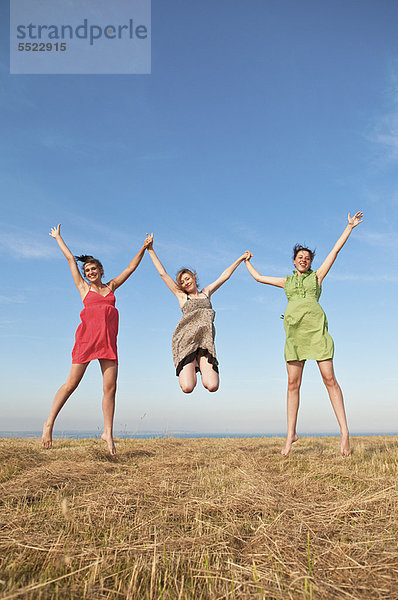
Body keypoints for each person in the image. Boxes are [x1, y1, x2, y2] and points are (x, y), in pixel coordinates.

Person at [245, 212, 364, 457]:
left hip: (317, 332)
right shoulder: (286, 282)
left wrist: (349, 228)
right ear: (294, 261)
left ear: (311, 262)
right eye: (300, 257)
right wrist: (246, 261)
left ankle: (344, 433)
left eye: (307, 258)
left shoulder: (317, 277)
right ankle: (291, 434)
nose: (304, 260)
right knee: (292, 384)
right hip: (294, 335)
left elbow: (335, 251)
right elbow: (258, 277)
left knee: (329, 379)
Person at [41, 224, 151, 456]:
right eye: (87, 270)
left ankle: (108, 434)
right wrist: (59, 237)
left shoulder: (111, 287)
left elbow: (130, 268)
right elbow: (71, 259)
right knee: (71, 385)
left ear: (100, 270)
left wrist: (144, 247)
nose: (89, 272)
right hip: (86, 342)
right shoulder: (83, 289)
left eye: (93, 269)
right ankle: (49, 423)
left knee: (110, 389)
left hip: (108, 343)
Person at [146, 234, 251, 393]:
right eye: (182, 282)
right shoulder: (182, 297)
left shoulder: (206, 293)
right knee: (188, 387)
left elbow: (224, 276)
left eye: (188, 278)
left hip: (205, 342)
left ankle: (200, 363)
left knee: (212, 386)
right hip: (186, 341)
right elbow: (163, 274)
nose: (186, 282)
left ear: (194, 277)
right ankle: (192, 363)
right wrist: (151, 250)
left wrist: (241, 258)